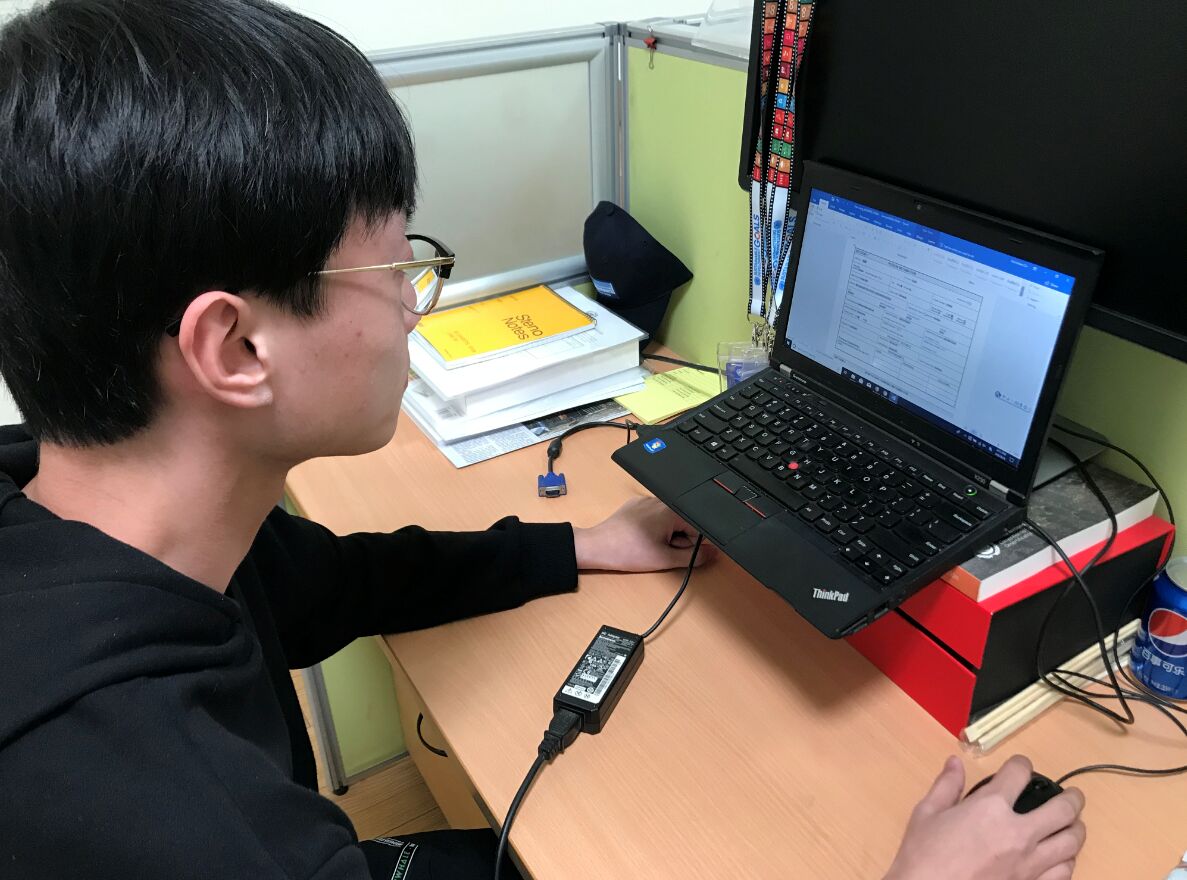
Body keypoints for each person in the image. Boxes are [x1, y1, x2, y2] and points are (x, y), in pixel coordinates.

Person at [0, 2, 1086, 878]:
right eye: (397, 267)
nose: (415, 305)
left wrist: (579, 547)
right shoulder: (168, 816)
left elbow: (331, 582)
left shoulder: (92, 528)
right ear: (235, 348)